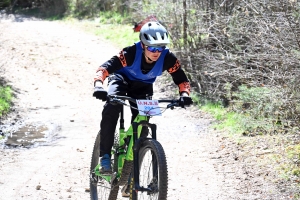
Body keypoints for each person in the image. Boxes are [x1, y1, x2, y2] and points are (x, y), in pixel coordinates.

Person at [92, 21, 193, 175]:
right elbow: (104, 68)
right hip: (121, 80)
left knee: (143, 124)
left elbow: (182, 80)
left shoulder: (168, 59)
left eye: (160, 47)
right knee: (111, 108)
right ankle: (105, 157)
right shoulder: (130, 53)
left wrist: (184, 95)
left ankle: (131, 172)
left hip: (143, 86)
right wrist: (98, 85)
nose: (156, 52)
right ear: (143, 44)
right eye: (152, 47)